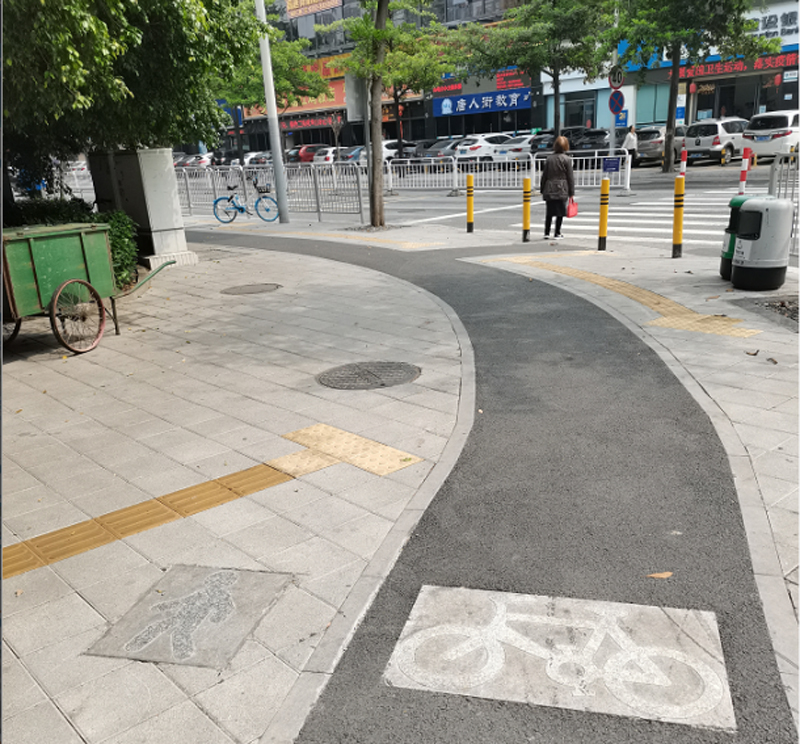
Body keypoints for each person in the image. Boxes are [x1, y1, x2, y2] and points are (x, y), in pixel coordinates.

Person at [540, 135, 574, 240]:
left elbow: (544, 175)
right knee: (560, 212)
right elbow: (570, 177)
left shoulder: (549, 159)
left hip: (549, 187)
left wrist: (542, 188)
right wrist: (571, 192)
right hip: (562, 188)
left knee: (549, 212)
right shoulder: (567, 159)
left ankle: (546, 232)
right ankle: (557, 233)